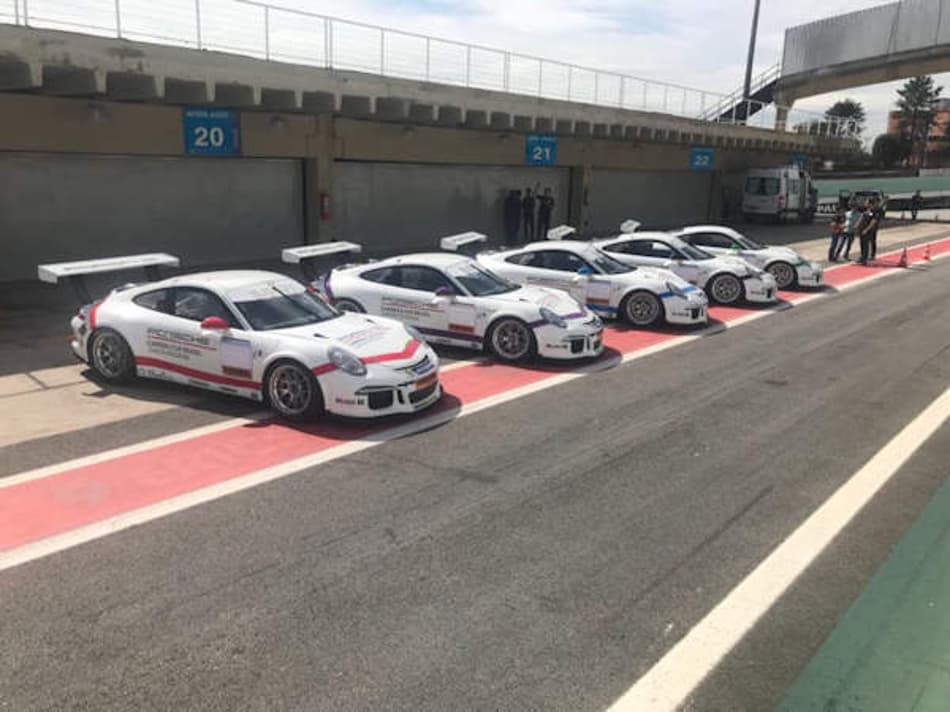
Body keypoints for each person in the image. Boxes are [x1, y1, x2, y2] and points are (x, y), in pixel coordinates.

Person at [858, 197, 883, 265]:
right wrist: (857, 225)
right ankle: (862, 256)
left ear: (870, 204)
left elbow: (873, 221)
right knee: (862, 243)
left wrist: (866, 229)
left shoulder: (875, 211)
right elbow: (862, 218)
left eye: (866, 202)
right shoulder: (866, 210)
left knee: (867, 243)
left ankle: (865, 258)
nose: (865, 203)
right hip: (862, 228)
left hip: (869, 230)